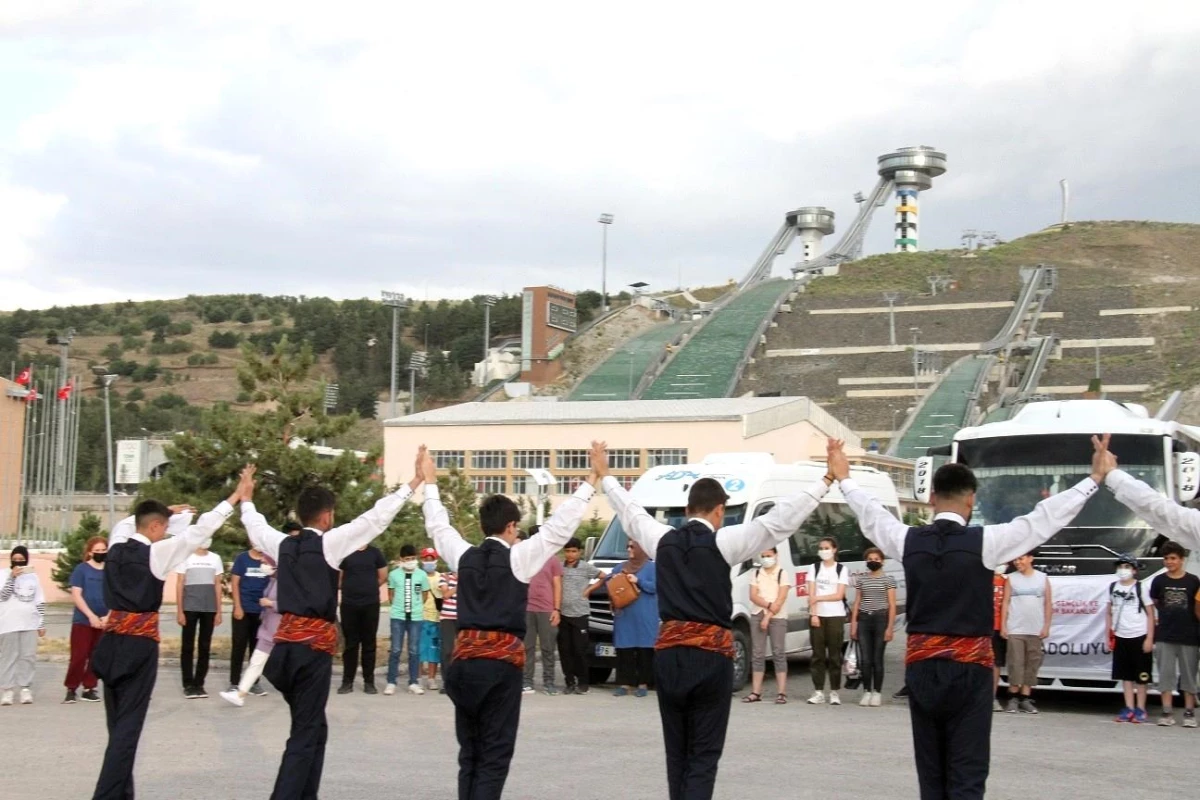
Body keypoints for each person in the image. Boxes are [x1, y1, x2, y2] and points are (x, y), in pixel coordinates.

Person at [828, 436, 1111, 800]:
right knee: (968, 772)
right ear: (971, 499)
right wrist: (1094, 479)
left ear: (931, 498)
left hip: (923, 668)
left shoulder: (906, 539)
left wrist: (843, 477)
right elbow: (1042, 520)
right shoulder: (988, 541)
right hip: (971, 670)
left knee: (932, 773)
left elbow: (871, 514)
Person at [600, 442, 835, 800]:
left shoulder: (663, 539)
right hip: (711, 657)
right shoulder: (725, 541)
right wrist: (827, 478)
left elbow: (630, 511)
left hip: (670, 656)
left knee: (677, 753)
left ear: (687, 508)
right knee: (704, 755)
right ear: (719, 510)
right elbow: (778, 522)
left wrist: (605, 476)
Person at [421, 443, 598, 800]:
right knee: (494, 755)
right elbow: (557, 530)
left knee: (469, 754)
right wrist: (591, 480)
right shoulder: (519, 558)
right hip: (499, 667)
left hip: (464, 663)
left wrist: (430, 483)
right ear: (512, 526)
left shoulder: (464, 556)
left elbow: (438, 526)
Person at [240, 462, 424, 800]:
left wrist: (247, 496)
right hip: (310, 653)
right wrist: (414, 481)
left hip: (282, 653)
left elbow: (255, 525)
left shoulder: (282, 544)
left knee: (313, 729)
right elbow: (376, 517)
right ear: (327, 516)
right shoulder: (329, 544)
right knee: (304, 734)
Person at [90, 496, 233, 800]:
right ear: (154, 526)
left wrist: (168, 511)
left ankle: (121, 794)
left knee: (117, 730)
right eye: (164, 528)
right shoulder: (155, 553)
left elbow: (127, 522)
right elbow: (199, 531)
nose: (166, 533)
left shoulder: (115, 547)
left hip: (110, 644)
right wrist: (232, 499)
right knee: (127, 732)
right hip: (138, 646)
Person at [1148, 541, 1200, 727]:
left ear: (1181, 560)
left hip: (1189, 636)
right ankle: (1166, 711)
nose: (1169, 562)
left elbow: (1197, 607)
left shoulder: (1193, 581)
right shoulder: (1159, 581)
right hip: (1165, 635)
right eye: (1166, 558)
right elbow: (1155, 600)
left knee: (1189, 676)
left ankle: (1189, 712)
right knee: (1166, 675)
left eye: (1173, 558)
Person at [220, 555, 280, 707]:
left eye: (265, 563)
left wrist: (271, 604)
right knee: (256, 661)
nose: (262, 565)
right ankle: (239, 694)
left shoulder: (287, 582)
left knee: (286, 662)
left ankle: (301, 689)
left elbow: (292, 604)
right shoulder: (273, 580)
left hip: (281, 631)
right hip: (267, 629)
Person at [603, 540, 658, 697]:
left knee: (644, 650)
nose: (628, 549)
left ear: (641, 548)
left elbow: (656, 587)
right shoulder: (621, 567)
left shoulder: (652, 567)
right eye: (627, 546)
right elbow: (610, 583)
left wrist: (638, 580)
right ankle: (624, 684)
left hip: (645, 616)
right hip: (625, 616)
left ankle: (643, 684)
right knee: (624, 650)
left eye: (632, 547)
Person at [1000, 551, 1052, 714]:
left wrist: (1046, 626)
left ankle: (1025, 698)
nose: (1017, 562)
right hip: (1016, 628)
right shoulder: (1011, 579)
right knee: (1016, 663)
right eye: (1015, 559)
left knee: (1032, 664)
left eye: (1021, 558)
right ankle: (1013, 698)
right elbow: (1006, 603)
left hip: (1035, 629)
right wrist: (1003, 625)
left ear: (1030, 559)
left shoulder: (1042, 578)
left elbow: (1048, 603)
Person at [1106, 554, 1153, 723]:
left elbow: (1150, 614)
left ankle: (1141, 709)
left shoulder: (1141, 587)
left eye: (1127, 567)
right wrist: (1108, 635)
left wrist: (1149, 638)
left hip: (1139, 635)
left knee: (1141, 676)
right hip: (1120, 636)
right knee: (1125, 676)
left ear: (1134, 570)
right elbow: (1109, 612)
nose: (1123, 570)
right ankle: (1129, 708)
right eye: (1120, 566)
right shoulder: (1112, 587)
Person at [174, 544, 224, 698]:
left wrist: (219, 611)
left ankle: (199, 684)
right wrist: (180, 610)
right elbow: (180, 583)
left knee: (205, 646)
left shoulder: (215, 558)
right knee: (187, 646)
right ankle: (188, 684)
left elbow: (217, 585)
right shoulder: (185, 557)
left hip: (209, 608)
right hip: (190, 607)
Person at [743, 547, 791, 704]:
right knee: (757, 653)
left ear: (776, 555)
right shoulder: (756, 573)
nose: (766, 558)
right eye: (763, 556)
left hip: (777, 616)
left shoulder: (782, 573)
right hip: (758, 613)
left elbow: (781, 598)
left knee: (778, 652)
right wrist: (767, 606)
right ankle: (756, 692)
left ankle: (781, 692)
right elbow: (753, 595)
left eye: (769, 555)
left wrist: (768, 615)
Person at [337, 542, 387, 694]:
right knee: (351, 644)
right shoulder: (345, 552)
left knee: (369, 643)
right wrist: (351, 588)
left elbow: (382, 576)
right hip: (349, 604)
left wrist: (368, 587)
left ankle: (369, 682)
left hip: (370, 604)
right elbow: (339, 579)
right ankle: (347, 682)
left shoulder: (375, 553)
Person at [65, 537, 109, 704]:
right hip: (83, 620)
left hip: (104, 620)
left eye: (103, 551)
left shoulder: (110, 571)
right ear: (90, 552)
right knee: (79, 655)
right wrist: (90, 616)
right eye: (97, 551)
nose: (100, 554)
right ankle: (71, 688)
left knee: (96, 656)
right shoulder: (81, 570)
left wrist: (108, 616)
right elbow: (76, 594)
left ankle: (90, 687)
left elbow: (115, 595)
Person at [850, 546, 896, 707]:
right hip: (864, 619)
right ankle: (866, 691)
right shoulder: (862, 579)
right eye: (870, 559)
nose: (873, 562)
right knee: (865, 659)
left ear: (882, 561)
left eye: (876, 559)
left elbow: (892, 605)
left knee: (877, 658)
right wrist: (853, 624)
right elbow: (857, 602)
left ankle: (877, 692)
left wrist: (890, 627)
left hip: (880, 619)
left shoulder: (888, 580)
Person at [0, 546, 46, 706]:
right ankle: (7, 689)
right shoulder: (3, 574)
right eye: (15, 559)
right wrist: (12, 577)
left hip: (29, 622)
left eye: (21, 559)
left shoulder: (33, 577)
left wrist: (41, 622)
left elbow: (39, 600)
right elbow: (3, 596)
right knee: (8, 656)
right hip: (8, 623)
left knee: (28, 656)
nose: (18, 562)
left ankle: (25, 687)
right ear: (11, 559)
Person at [806, 536, 849, 705]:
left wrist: (818, 597)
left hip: (836, 616)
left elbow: (839, 595)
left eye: (826, 548)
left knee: (834, 655)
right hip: (818, 615)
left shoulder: (841, 569)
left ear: (834, 549)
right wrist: (814, 614)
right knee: (817, 655)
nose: (823, 551)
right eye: (821, 548)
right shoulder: (814, 568)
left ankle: (835, 692)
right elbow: (811, 594)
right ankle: (818, 691)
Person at [558, 537, 604, 695]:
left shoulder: (585, 567)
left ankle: (583, 682)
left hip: (580, 614)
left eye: (573, 551)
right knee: (565, 650)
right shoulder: (559, 567)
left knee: (579, 649)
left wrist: (589, 590)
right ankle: (569, 681)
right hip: (562, 613)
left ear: (580, 552)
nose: (570, 554)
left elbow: (604, 577)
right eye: (567, 551)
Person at [522, 525, 563, 695]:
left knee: (547, 647)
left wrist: (556, 609)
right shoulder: (523, 557)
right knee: (527, 647)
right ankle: (526, 681)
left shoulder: (552, 559)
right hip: (526, 608)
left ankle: (549, 682)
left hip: (547, 609)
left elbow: (557, 584)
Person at [386, 544, 430, 696]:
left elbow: (424, 594)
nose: (410, 561)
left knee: (414, 650)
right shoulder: (393, 575)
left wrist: (416, 606)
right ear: (401, 560)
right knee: (396, 649)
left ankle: (413, 682)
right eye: (407, 559)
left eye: (412, 558)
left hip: (416, 617)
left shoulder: (422, 575)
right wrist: (398, 607)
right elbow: (391, 594)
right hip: (398, 616)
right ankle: (391, 681)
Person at [230, 544, 271, 696]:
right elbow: (235, 583)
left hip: (261, 611)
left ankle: (254, 683)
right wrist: (237, 606)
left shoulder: (269, 559)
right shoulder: (242, 558)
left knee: (257, 648)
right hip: (244, 609)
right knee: (239, 646)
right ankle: (234, 683)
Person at [420, 547, 443, 691]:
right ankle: (417, 678)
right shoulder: (418, 576)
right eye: (426, 560)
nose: (429, 562)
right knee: (419, 649)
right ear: (422, 561)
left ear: (436, 561)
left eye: (431, 560)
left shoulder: (441, 577)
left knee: (433, 650)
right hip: (420, 617)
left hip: (436, 618)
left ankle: (432, 678)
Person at [438, 568, 458, 695]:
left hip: (464, 618)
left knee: (463, 652)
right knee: (447, 650)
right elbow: (445, 595)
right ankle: (447, 682)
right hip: (447, 619)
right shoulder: (444, 577)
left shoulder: (471, 577)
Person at [990, 565, 1008, 712]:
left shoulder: (1008, 581)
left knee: (996, 663)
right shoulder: (982, 579)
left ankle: (992, 697)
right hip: (982, 628)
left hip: (999, 628)